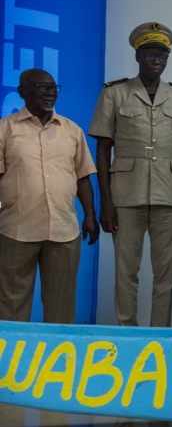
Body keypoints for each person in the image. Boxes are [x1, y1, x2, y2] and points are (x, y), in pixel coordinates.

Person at [88, 22, 172, 327]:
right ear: (137, 56)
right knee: (126, 271)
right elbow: (103, 149)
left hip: (170, 193)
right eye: (149, 55)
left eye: (162, 56)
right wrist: (106, 201)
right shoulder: (114, 93)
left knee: (166, 273)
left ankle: (160, 334)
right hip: (126, 193)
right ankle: (128, 334)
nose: (156, 61)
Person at [0, 69, 99, 323]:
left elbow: (82, 177)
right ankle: (12, 350)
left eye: (54, 88)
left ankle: (58, 351)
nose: (50, 93)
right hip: (16, 231)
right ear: (22, 92)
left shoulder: (72, 130)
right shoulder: (4, 129)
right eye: (42, 87)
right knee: (10, 306)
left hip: (64, 232)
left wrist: (90, 216)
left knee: (61, 307)